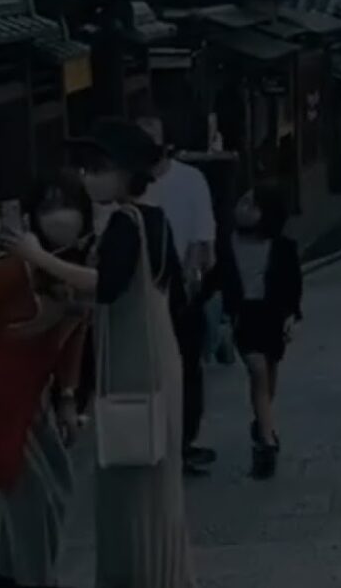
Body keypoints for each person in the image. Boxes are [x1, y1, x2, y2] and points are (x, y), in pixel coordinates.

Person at [0, 117, 195, 587]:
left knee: (129, 475)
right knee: (152, 474)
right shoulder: (153, 218)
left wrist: (35, 255)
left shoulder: (126, 222)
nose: (88, 178)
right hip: (157, 352)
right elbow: (128, 290)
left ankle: (139, 573)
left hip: (135, 360)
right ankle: (162, 571)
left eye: (98, 167)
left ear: (127, 172)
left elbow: (106, 285)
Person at [0, 175, 91, 588]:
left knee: (52, 496)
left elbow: (74, 338)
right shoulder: (14, 268)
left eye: (68, 203)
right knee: (29, 510)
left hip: (31, 406)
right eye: (50, 204)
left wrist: (68, 399)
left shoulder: (77, 269)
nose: (61, 214)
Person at [137, 116, 218, 478]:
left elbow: (203, 240)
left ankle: (183, 441)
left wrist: (191, 279)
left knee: (186, 368)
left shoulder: (189, 180)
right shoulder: (131, 187)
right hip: (138, 290)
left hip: (180, 290)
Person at [204, 183, 302, 480]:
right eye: (242, 202)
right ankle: (267, 443)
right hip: (245, 316)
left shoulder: (283, 247)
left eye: (252, 204)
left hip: (272, 316)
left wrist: (291, 317)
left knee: (268, 378)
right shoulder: (227, 244)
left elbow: (293, 286)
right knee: (258, 371)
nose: (243, 208)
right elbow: (216, 279)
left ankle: (262, 424)